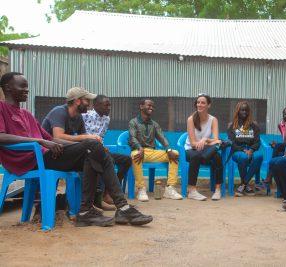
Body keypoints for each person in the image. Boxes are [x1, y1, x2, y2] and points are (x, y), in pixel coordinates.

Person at [0, 72, 152, 227]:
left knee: (93, 154)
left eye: (27, 86)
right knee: (93, 147)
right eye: (22, 86)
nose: (27, 90)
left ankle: (89, 211)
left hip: (46, 156)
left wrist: (82, 146)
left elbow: (52, 139)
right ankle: (121, 208)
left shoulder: (26, 114)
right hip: (28, 160)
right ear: (8, 88)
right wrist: (40, 141)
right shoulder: (1, 108)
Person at [82, 94, 132, 207]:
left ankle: (108, 193)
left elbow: (101, 137)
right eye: (106, 105)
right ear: (95, 105)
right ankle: (97, 199)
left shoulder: (106, 119)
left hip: (100, 149)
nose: (109, 108)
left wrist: (102, 146)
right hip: (87, 151)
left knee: (126, 160)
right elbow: (80, 134)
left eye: (110, 105)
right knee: (105, 159)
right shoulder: (85, 115)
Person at [129, 99, 182, 202]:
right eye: (149, 105)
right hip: (140, 152)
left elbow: (162, 138)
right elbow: (132, 138)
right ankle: (141, 189)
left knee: (174, 154)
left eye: (153, 106)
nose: (151, 108)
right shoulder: (133, 122)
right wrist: (139, 148)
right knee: (135, 155)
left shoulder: (154, 124)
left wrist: (169, 149)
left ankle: (170, 188)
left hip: (152, 152)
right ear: (141, 106)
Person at [185, 94, 223, 201]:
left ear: (208, 105)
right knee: (196, 155)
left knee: (217, 156)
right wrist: (207, 142)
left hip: (205, 150)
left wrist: (205, 139)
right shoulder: (191, 119)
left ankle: (217, 190)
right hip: (190, 150)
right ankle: (192, 191)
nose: (199, 105)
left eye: (203, 103)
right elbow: (192, 143)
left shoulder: (213, 120)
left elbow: (216, 140)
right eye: (198, 102)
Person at [227, 101, 263, 196]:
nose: (244, 112)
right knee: (243, 157)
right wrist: (243, 149)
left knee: (259, 156)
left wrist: (251, 150)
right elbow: (232, 142)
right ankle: (245, 186)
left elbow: (257, 141)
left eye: (246, 110)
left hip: (251, 149)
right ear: (238, 111)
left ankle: (243, 184)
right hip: (237, 150)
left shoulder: (253, 125)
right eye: (242, 110)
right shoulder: (232, 125)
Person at [262, 106, 286, 188]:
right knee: (277, 149)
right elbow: (285, 141)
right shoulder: (280, 125)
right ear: (283, 115)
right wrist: (277, 145)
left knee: (278, 148)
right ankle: (281, 189)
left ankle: (269, 177)